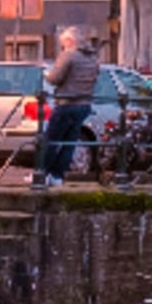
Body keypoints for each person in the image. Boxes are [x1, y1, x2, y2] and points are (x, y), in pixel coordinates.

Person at [38, 26, 100, 188]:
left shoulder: (69, 55)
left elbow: (55, 78)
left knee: (50, 140)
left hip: (66, 103)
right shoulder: (92, 58)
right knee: (69, 143)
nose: (62, 47)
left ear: (69, 41)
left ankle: (41, 174)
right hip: (84, 104)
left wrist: (47, 75)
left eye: (63, 43)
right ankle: (57, 176)